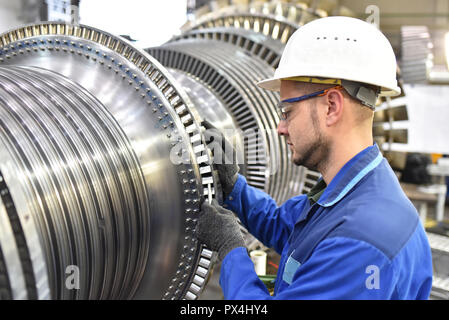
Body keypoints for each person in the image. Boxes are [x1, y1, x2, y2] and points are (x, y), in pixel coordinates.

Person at [196, 16, 433, 299]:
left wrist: (232, 250)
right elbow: (285, 227)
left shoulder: (361, 241)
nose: (280, 128)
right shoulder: (350, 192)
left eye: (287, 113)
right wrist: (235, 188)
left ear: (331, 106)